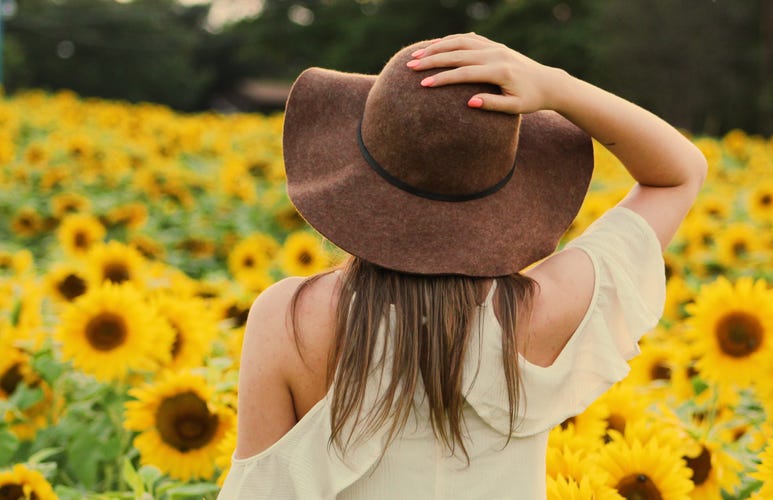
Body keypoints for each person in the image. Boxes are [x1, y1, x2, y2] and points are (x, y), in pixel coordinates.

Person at [218, 33, 707, 499]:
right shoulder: (547, 311)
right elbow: (679, 174)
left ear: (356, 177)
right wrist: (556, 85)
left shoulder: (290, 318)